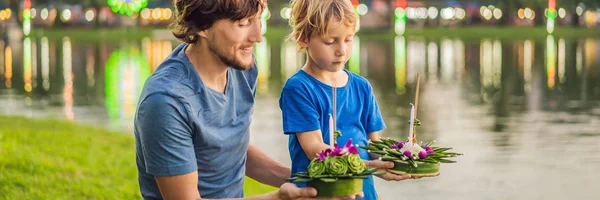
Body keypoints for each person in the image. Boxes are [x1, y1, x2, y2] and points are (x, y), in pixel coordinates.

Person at [134, 0, 330, 199]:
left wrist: (305, 182)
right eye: (243, 23)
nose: (257, 37)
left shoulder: (242, 68)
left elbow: (233, 150)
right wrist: (280, 197)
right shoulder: (166, 101)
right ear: (203, 25)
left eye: (259, 19)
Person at [280, 0, 414, 199]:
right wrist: (355, 160)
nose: (341, 50)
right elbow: (313, 148)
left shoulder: (361, 87)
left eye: (348, 39)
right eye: (330, 41)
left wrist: (399, 156)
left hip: (363, 193)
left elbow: (372, 145)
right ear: (303, 39)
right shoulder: (299, 88)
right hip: (320, 194)